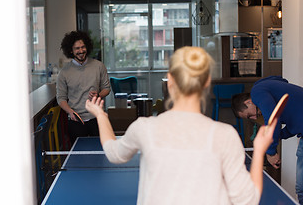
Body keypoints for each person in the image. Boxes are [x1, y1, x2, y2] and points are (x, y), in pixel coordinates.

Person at [86, 47, 276, 205]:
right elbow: (247, 200)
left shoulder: (144, 127)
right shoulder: (225, 135)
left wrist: (100, 115)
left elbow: (113, 153)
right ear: (207, 82)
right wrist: (259, 150)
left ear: (170, 81)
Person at [232, 75, 303, 204]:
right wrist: (277, 136)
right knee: (301, 188)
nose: (254, 118)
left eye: (249, 115)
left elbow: (273, 120)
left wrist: (270, 152)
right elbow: (292, 125)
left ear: (248, 102)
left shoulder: (257, 92)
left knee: (301, 189)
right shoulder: (267, 88)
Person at [56, 30, 110, 144]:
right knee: (79, 157)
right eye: (77, 48)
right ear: (71, 50)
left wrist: (99, 94)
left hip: (97, 117)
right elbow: (61, 98)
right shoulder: (64, 72)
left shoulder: (99, 66)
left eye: (83, 47)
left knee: (101, 154)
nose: (81, 51)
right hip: (76, 121)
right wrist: (70, 112)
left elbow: (107, 88)